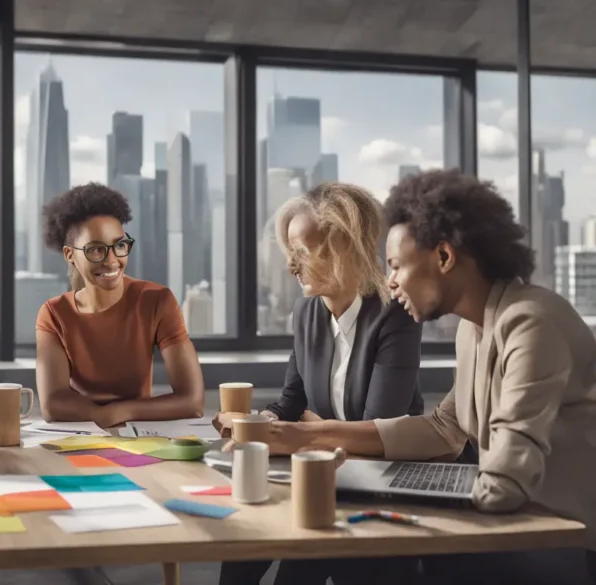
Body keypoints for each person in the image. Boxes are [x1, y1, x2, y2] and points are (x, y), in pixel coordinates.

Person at [263, 169, 596, 584]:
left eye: (397, 265)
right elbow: (446, 428)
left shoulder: (530, 322)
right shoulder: (475, 327)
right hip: (518, 525)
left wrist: (415, 495)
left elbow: (504, 486)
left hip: (562, 540)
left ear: (443, 257)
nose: (390, 281)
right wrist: (309, 436)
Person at [217, 182, 424, 585]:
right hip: (320, 473)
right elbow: (292, 401)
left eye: (302, 253)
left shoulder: (394, 316)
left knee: (295, 562)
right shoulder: (306, 312)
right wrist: (257, 422)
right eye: (290, 253)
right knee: (239, 550)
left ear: (346, 247)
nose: (291, 266)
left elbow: (379, 431)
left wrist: (294, 432)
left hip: (373, 484)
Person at [34, 183, 204, 428]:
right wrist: (101, 416)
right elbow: (53, 404)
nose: (112, 260)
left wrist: (117, 412)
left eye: (120, 245)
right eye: (96, 249)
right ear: (70, 254)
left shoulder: (157, 301)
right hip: (79, 435)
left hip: (139, 434)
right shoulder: (54, 313)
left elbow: (192, 401)